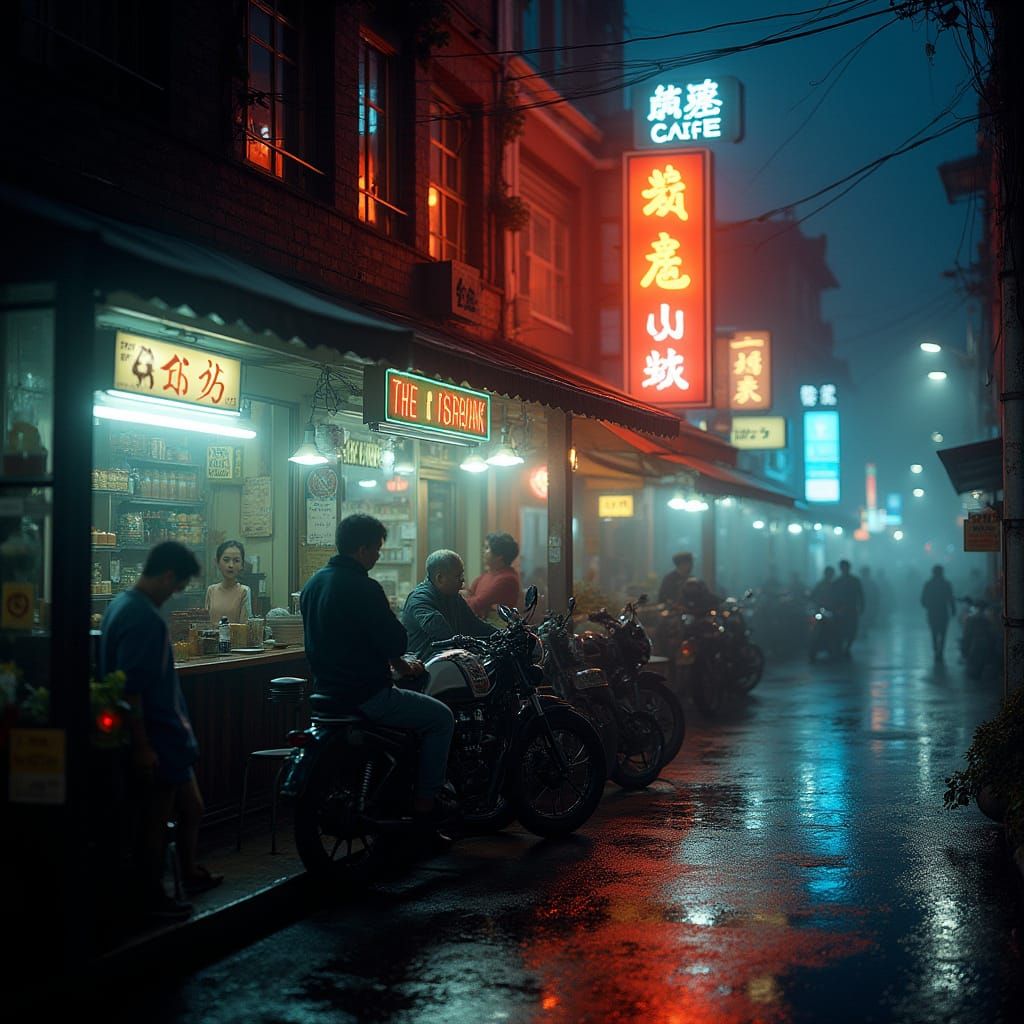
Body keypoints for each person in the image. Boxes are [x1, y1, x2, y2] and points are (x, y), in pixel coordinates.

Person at [99, 541, 222, 921]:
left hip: (168, 734)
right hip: (156, 736)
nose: (176, 593)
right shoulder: (144, 617)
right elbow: (132, 689)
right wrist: (142, 745)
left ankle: (187, 873)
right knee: (153, 822)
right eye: (178, 585)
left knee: (191, 806)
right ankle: (152, 898)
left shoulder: (119, 605)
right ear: (168, 575)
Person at [301, 514, 454, 821]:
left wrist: (394, 663)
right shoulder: (364, 587)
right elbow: (395, 641)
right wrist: (400, 662)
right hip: (366, 695)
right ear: (362, 549)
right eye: (376, 549)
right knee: (441, 717)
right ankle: (425, 804)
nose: (378, 555)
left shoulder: (313, 584)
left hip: (326, 695)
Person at [402, 549, 497, 661]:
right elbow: (445, 635)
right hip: (424, 669)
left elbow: (474, 624)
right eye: (458, 576)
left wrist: (501, 635)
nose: (463, 579)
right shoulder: (420, 600)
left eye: (462, 574)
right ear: (440, 578)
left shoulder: (453, 596)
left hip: (448, 664)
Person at [464, 532, 521, 619]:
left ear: (499, 556)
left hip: (497, 629)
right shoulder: (488, 574)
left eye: (487, 548)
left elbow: (476, 604)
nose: (483, 551)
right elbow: (470, 593)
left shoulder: (507, 579)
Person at [205, 538, 253, 627]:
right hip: (211, 640)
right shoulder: (211, 590)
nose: (231, 565)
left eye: (236, 561)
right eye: (226, 560)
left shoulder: (244, 591)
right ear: (217, 562)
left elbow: (245, 626)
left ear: (242, 565)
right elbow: (206, 623)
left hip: (236, 640)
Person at [830, 559, 865, 659]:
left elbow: (860, 595)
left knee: (852, 631)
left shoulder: (854, 581)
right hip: (840, 610)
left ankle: (846, 648)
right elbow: (832, 596)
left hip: (851, 609)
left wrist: (861, 606)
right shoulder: (837, 582)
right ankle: (842, 648)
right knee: (841, 630)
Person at [921, 564, 956, 661]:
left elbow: (923, 600)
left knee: (934, 632)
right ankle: (940, 651)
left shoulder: (928, 584)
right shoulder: (946, 584)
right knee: (943, 633)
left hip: (932, 612)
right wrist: (953, 609)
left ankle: (936, 649)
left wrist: (928, 606)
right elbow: (951, 598)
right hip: (943, 611)